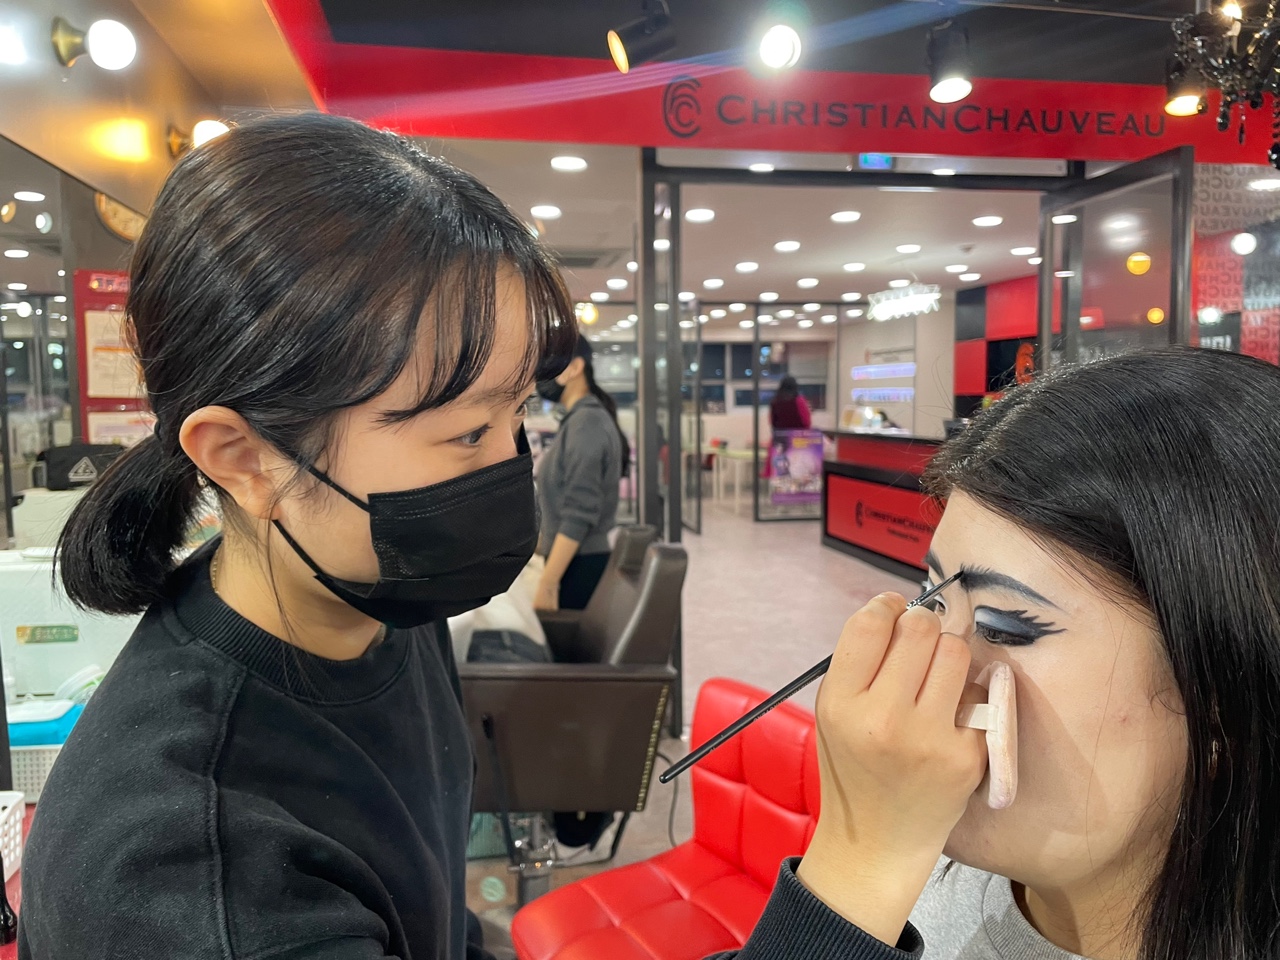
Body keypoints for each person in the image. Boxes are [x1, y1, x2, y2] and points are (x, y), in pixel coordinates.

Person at [533, 334, 629, 611]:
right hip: (571, 563)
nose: (541, 375)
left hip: (579, 568)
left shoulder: (587, 423)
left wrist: (548, 583)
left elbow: (579, 513)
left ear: (575, 368)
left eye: (548, 366)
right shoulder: (578, 420)